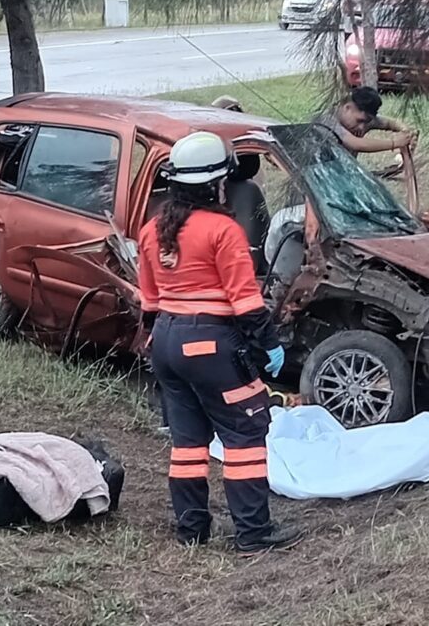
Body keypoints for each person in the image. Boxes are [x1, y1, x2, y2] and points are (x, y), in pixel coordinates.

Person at [137, 130, 302, 554]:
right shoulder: (223, 230)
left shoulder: (152, 230)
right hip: (210, 343)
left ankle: (191, 530)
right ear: (217, 184)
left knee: (188, 441)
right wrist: (269, 346)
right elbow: (246, 303)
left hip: (166, 344)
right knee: (245, 434)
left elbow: (149, 301)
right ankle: (253, 533)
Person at [313, 85, 417, 155]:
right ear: (347, 108)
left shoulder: (363, 119)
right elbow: (356, 144)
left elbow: (391, 123)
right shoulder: (326, 119)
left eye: (366, 122)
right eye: (359, 121)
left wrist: (406, 132)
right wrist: (395, 143)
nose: (362, 127)